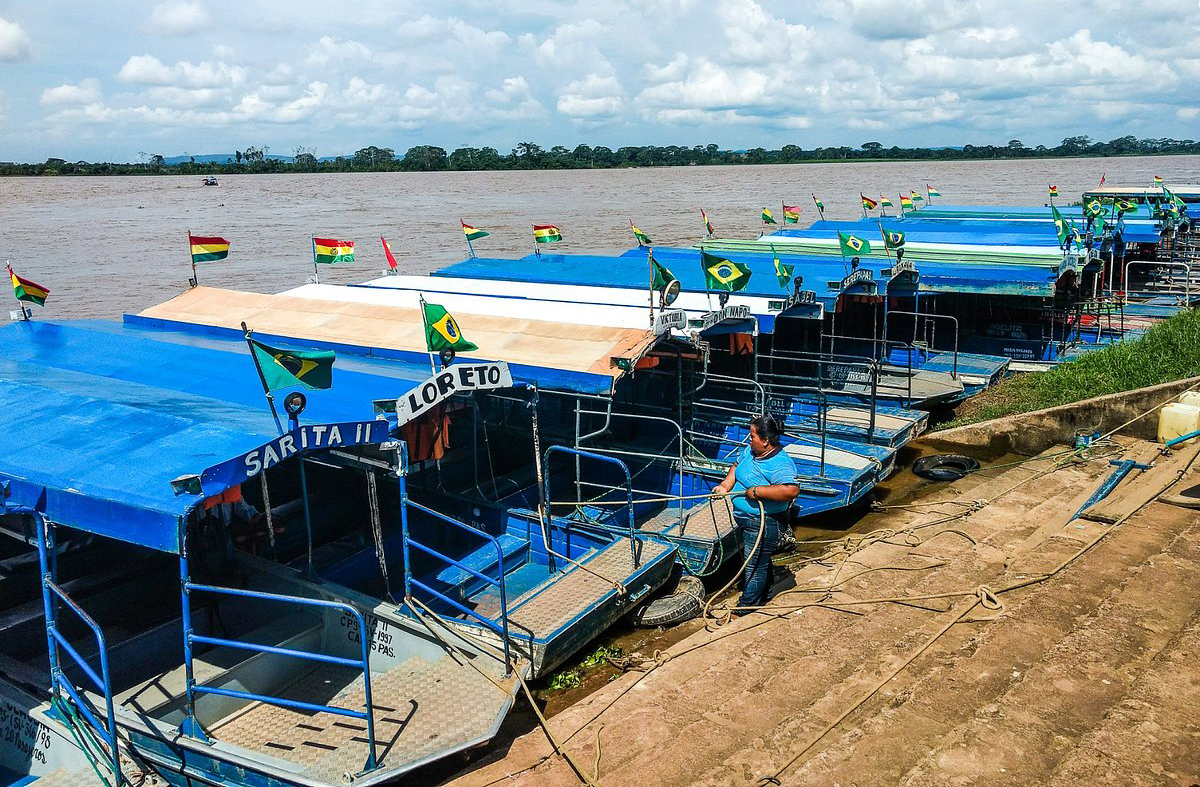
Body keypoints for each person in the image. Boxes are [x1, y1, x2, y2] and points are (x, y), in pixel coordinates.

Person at [712, 414, 800, 613]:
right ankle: (766, 593)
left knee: (753, 567)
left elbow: (790, 490)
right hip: (747, 520)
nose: (748, 439)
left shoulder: (780, 463)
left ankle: (746, 608)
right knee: (759, 559)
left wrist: (757, 491)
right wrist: (725, 485)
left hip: (764, 522)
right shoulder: (750, 451)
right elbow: (736, 465)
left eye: (752, 436)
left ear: (766, 441)